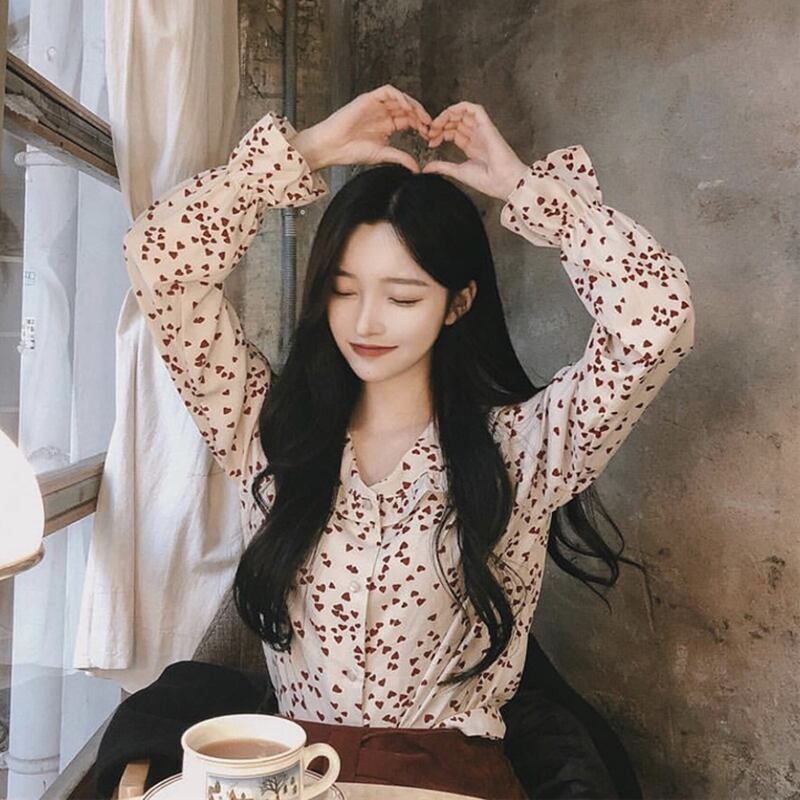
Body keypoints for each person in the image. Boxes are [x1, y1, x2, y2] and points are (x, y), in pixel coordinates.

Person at [121, 83, 694, 797]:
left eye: (402, 297)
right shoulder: (265, 432)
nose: (365, 322)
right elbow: (158, 263)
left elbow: (657, 322)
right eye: (343, 289)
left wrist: (526, 189)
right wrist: (306, 152)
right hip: (297, 781)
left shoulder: (526, 447)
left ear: (458, 303)